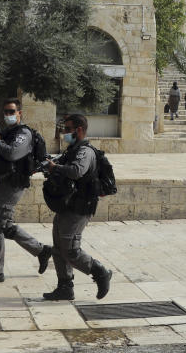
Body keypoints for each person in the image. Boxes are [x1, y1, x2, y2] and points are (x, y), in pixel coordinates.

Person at [0, 98, 52, 284]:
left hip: (13, 184)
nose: (8, 115)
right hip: (5, 182)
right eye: (6, 112)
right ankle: (41, 250)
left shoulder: (23, 133)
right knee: (5, 226)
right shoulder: (8, 132)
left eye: (11, 111)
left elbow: (13, 153)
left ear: (20, 113)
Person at [42, 114, 113, 301]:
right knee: (58, 247)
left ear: (79, 130)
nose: (65, 133)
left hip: (79, 206)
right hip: (67, 204)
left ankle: (100, 272)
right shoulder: (72, 149)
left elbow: (76, 171)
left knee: (71, 249)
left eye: (67, 129)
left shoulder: (85, 152)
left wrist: (54, 168)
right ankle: (65, 286)